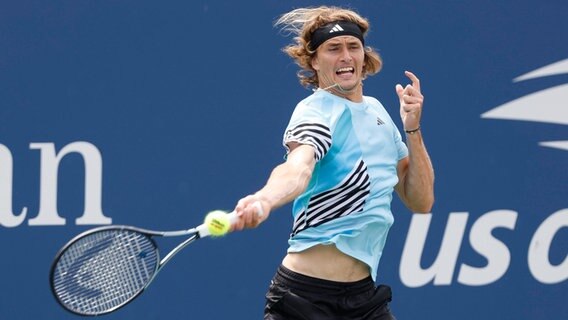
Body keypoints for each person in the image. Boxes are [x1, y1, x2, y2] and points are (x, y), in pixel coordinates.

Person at [232, 6, 434, 320]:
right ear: (314, 60)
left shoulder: (379, 112)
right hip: (304, 300)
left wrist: (412, 128)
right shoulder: (315, 111)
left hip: (364, 299)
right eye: (333, 49)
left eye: (353, 47)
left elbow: (421, 201)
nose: (346, 56)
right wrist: (264, 199)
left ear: (364, 57)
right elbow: (298, 168)